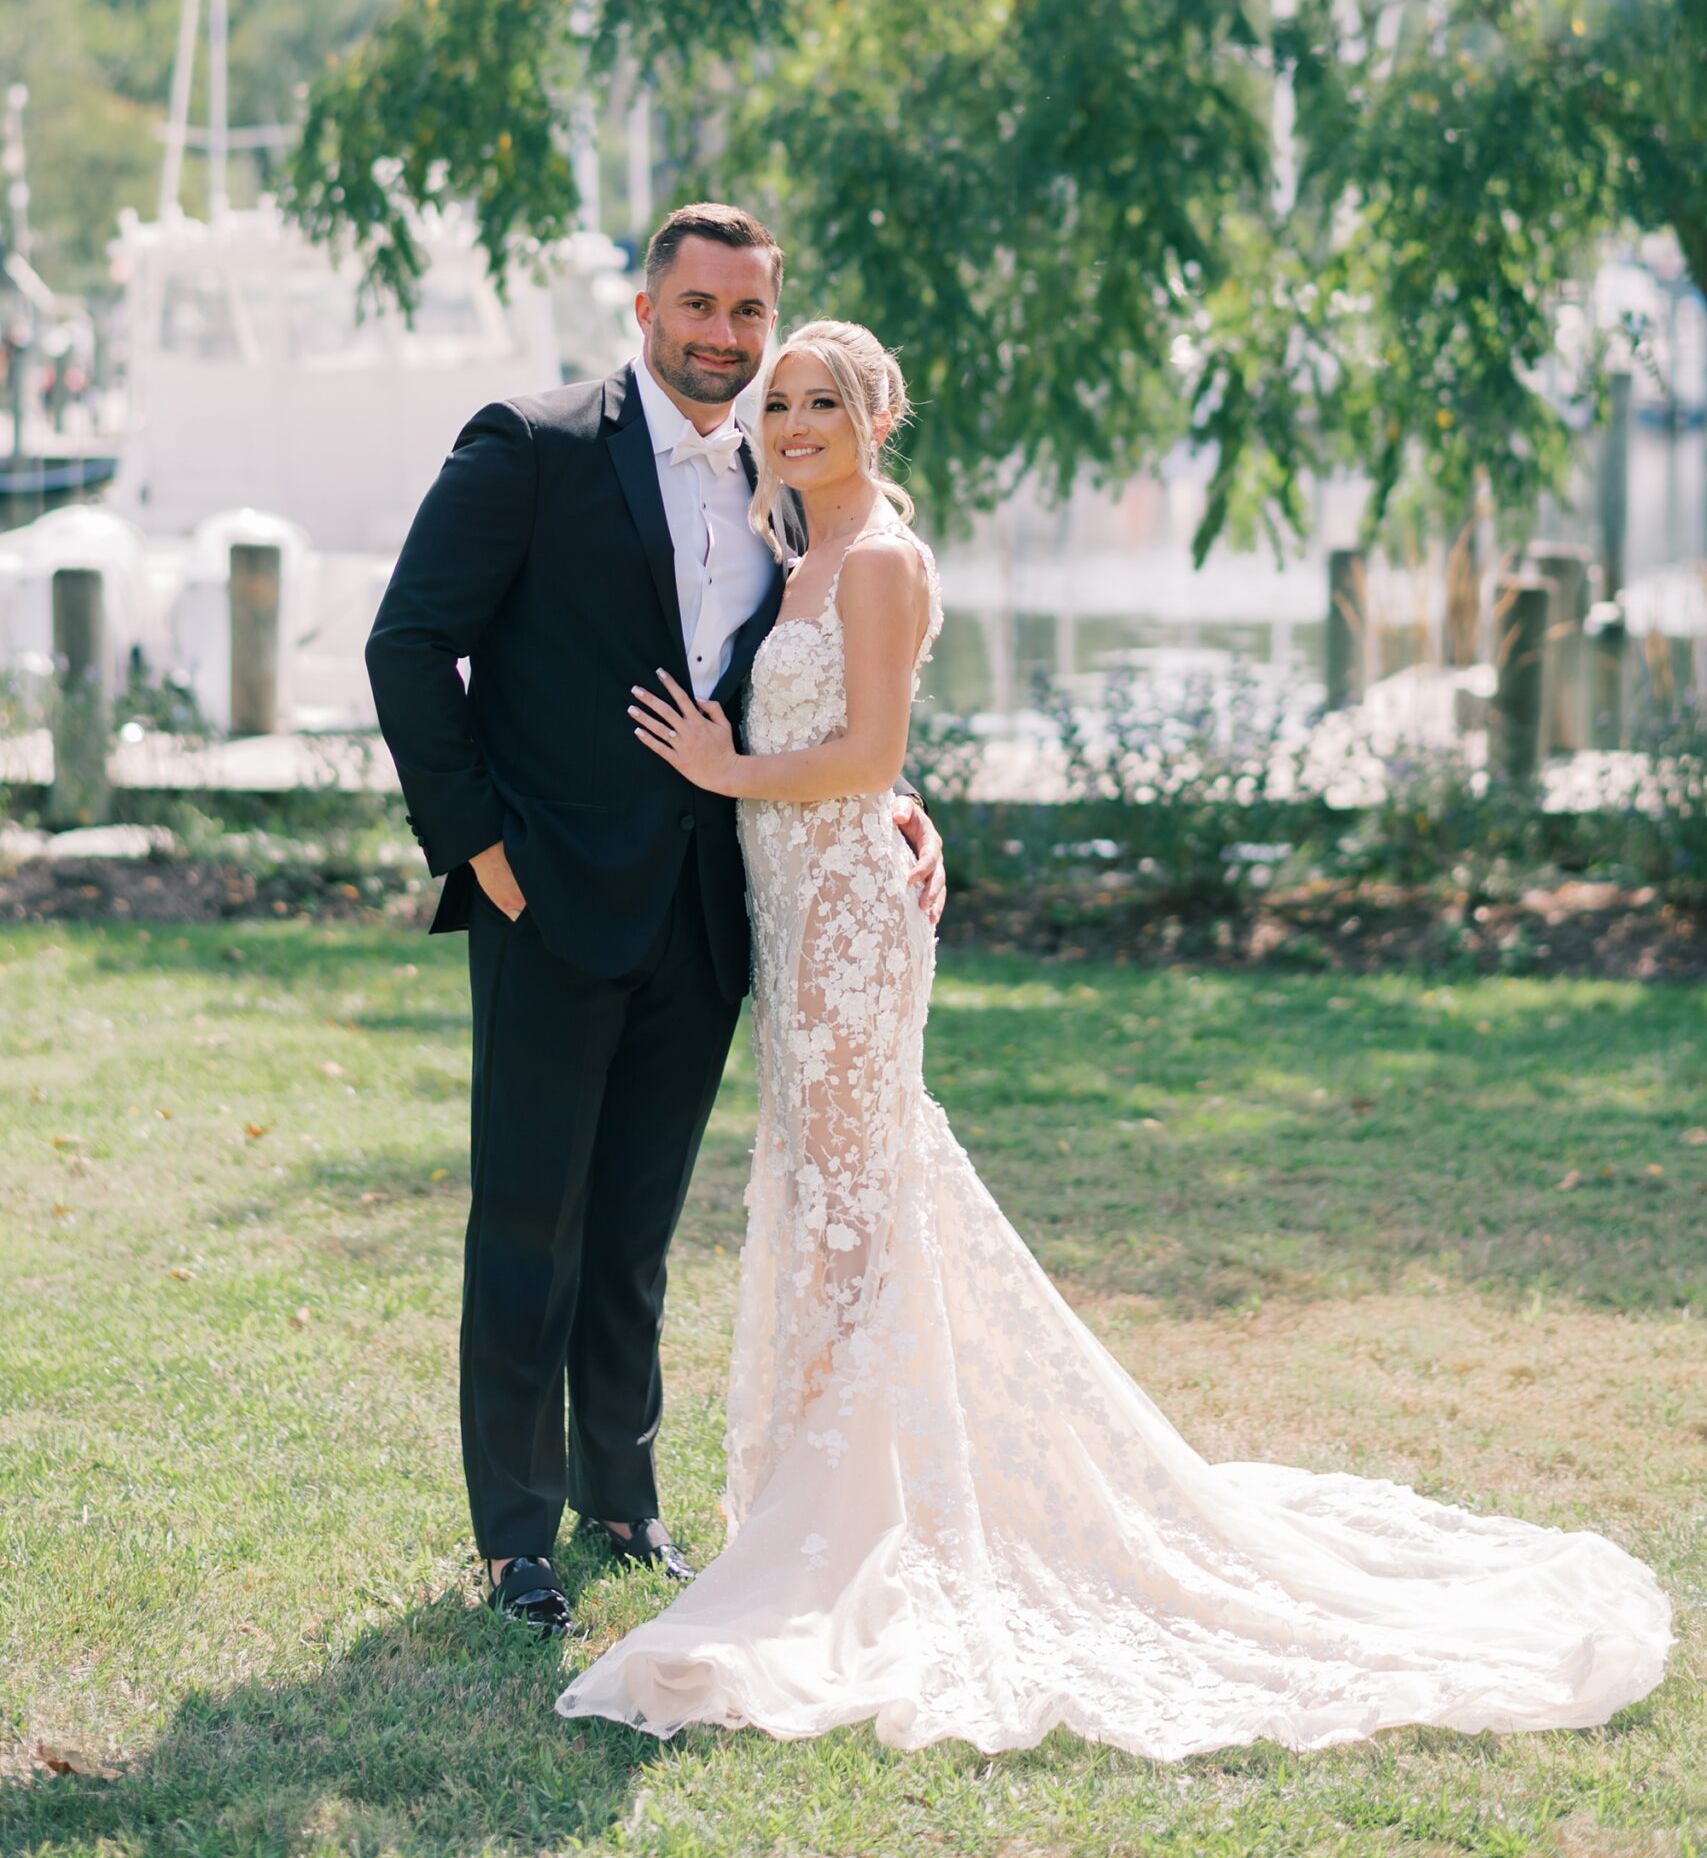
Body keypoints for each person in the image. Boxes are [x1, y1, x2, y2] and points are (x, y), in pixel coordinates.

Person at [555, 317, 1671, 1758]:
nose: (795, 423)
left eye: (823, 402)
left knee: (858, 1187)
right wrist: (849, 800)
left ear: (874, 419)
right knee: (832, 1191)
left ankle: (849, 1517)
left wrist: (732, 769)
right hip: (800, 906)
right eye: (782, 405)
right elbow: (873, 757)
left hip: (846, 922)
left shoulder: (882, 559)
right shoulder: (797, 559)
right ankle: (829, 1488)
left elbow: (876, 755)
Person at [366, 209, 946, 1638]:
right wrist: (483, 852)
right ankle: (516, 1540)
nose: (724, 338)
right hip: (547, 902)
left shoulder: (779, 477)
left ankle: (621, 1502)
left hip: (707, 920)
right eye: (698, 307)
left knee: (633, 1232)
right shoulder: (533, 443)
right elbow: (405, 644)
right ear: (645, 309)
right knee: (529, 1222)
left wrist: (900, 800)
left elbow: (813, 679)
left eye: (748, 315)